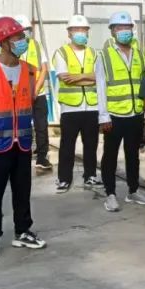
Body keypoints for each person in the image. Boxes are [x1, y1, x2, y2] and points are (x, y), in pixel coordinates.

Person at [0, 17, 47, 260]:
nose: (22, 41)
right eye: (17, 37)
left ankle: (23, 230)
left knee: (22, 189)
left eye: (21, 36)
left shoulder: (29, 70)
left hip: (23, 142)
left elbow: (30, 101)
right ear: (3, 42)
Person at [97, 11, 145, 212]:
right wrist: (103, 116)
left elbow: (143, 83)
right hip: (114, 115)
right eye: (120, 28)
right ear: (112, 31)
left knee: (133, 155)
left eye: (127, 28)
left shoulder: (138, 54)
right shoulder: (103, 55)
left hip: (135, 113)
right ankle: (110, 194)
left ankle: (133, 190)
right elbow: (101, 86)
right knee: (110, 155)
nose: (124, 32)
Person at [52, 14, 103, 193]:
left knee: (91, 144)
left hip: (92, 106)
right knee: (67, 145)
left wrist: (78, 77)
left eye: (84, 30)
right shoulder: (61, 52)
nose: (81, 33)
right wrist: (89, 77)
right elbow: (64, 78)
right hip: (70, 107)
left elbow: (100, 77)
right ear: (69, 32)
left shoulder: (94, 53)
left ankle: (90, 175)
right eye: (77, 30)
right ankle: (64, 178)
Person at [14, 14, 52, 174]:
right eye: (22, 30)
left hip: (38, 94)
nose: (26, 33)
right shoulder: (10, 47)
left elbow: (43, 69)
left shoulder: (36, 45)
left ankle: (42, 157)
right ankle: (20, 154)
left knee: (41, 126)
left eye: (28, 30)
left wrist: (35, 89)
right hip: (18, 95)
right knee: (19, 126)